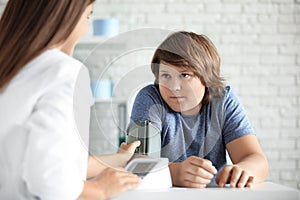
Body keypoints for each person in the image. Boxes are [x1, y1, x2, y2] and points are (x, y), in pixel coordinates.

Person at [0, 1, 140, 199]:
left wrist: (120, 160)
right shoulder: (63, 72)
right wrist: (101, 189)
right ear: (65, 17)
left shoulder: (10, 69)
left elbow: (39, 161)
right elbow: (50, 179)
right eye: (87, 16)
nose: (85, 27)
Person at [128, 31, 268, 188]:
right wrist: (175, 173)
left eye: (185, 75)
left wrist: (243, 170)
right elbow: (138, 164)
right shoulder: (150, 98)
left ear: (206, 77)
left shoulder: (223, 101)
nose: (174, 87)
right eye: (166, 76)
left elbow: (256, 159)